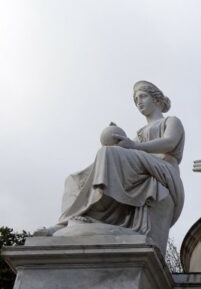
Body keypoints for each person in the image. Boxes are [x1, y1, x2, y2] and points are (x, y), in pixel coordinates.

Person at [42, 80, 185, 252]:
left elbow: (170, 142)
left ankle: (93, 209)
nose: (139, 102)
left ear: (156, 99)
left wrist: (133, 146)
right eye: (136, 100)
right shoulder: (139, 134)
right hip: (142, 164)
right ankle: (66, 222)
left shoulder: (171, 121)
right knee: (74, 179)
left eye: (143, 96)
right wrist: (119, 139)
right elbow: (128, 152)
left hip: (163, 168)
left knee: (108, 153)